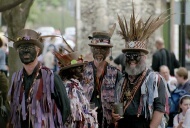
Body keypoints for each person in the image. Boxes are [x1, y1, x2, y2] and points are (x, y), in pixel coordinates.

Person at [112, 4, 169, 128]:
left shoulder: (155, 80)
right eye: (128, 56)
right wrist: (114, 115)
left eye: (136, 55)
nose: (132, 59)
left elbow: (159, 110)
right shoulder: (122, 79)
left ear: (144, 56)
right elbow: (117, 105)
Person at [7, 29, 70, 127]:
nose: (26, 51)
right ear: (18, 51)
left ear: (38, 51)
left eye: (30, 47)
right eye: (22, 47)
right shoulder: (16, 79)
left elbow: (65, 109)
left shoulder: (52, 78)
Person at [82, 23, 122, 128]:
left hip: (108, 123)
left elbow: (120, 98)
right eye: (96, 48)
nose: (99, 52)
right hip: (87, 121)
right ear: (92, 49)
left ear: (108, 51)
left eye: (103, 49)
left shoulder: (116, 73)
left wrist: (117, 115)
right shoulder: (82, 71)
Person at [54, 50, 98, 128]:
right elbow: (75, 117)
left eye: (82, 67)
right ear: (71, 71)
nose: (83, 71)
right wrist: (92, 114)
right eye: (79, 68)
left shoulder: (74, 85)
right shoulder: (70, 88)